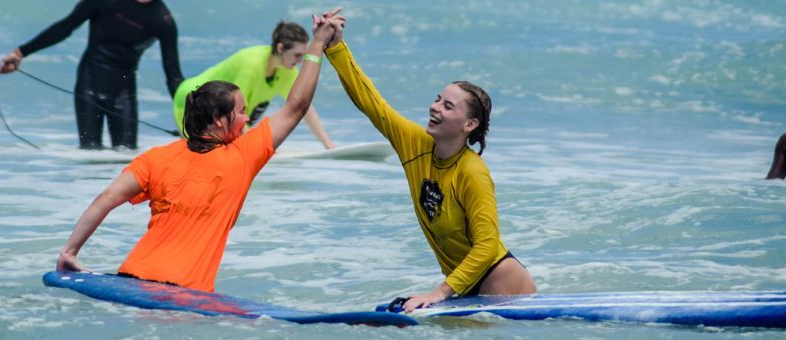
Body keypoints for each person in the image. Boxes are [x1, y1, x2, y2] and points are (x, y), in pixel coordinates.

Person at [54, 10, 344, 292]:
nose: (246, 120)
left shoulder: (156, 158)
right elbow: (297, 106)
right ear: (219, 119)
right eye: (242, 112)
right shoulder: (242, 156)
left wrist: (70, 251)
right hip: (183, 294)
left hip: (131, 280)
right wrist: (317, 45)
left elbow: (106, 198)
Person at [320, 11, 536, 312]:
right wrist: (335, 47)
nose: (435, 108)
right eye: (437, 99)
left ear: (469, 124)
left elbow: (487, 246)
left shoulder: (472, 172)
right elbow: (373, 105)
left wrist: (438, 293)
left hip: (500, 285)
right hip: (464, 288)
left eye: (448, 106)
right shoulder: (415, 144)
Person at [0, 0, 184, 150]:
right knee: (90, 153)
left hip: (124, 94)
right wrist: (21, 52)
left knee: (125, 156)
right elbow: (65, 27)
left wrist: (193, 115)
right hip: (89, 85)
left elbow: (173, 75)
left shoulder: (163, 20)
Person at [172, 21, 336, 149]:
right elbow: (231, 111)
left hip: (221, 114)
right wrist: (260, 145)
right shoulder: (252, 64)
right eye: (297, 55)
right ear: (280, 48)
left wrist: (328, 145)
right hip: (191, 101)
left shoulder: (288, 69)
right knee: (203, 157)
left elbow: (303, 106)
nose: (301, 61)